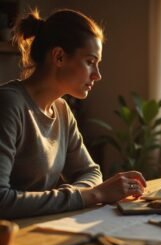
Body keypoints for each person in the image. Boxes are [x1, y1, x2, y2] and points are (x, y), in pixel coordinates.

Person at [0, 8, 146, 219]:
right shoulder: (8, 104)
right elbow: (2, 202)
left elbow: (91, 172)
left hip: (43, 228)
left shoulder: (61, 109)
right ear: (59, 57)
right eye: (90, 62)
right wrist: (92, 195)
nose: (97, 75)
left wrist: (85, 195)